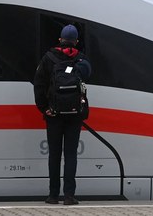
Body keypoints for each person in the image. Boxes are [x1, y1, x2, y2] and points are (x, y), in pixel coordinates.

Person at [33, 24, 92, 205]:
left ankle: (52, 195)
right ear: (76, 42)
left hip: (54, 115)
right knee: (71, 155)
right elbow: (87, 78)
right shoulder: (81, 60)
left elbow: (39, 85)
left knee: (55, 155)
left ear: (60, 40)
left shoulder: (48, 58)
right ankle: (69, 196)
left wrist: (44, 108)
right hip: (74, 115)